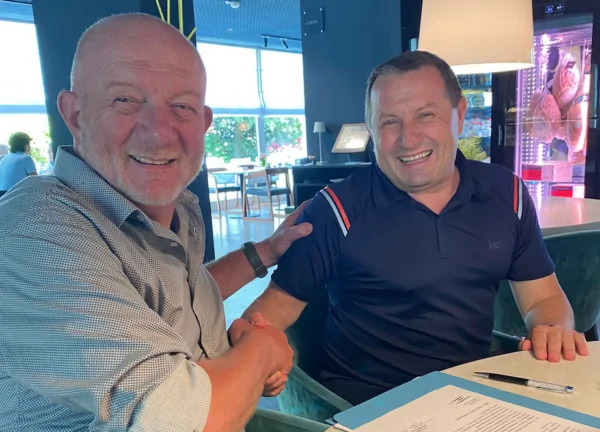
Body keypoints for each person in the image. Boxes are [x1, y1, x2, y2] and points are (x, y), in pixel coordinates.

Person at [0, 14, 312, 432]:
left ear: (203, 123)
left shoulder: (174, 208)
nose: (159, 132)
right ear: (74, 114)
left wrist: (266, 251)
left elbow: (178, 297)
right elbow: (186, 422)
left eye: (181, 106)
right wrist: (261, 351)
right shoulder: (36, 230)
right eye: (126, 100)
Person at [243, 50, 589, 406]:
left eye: (426, 115)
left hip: (473, 396)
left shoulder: (507, 193)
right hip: (366, 407)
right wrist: (256, 350)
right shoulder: (335, 209)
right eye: (389, 122)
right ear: (372, 130)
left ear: (459, 114)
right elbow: (273, 307)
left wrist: (553, 329)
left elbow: (544, 297)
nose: (408, 139)